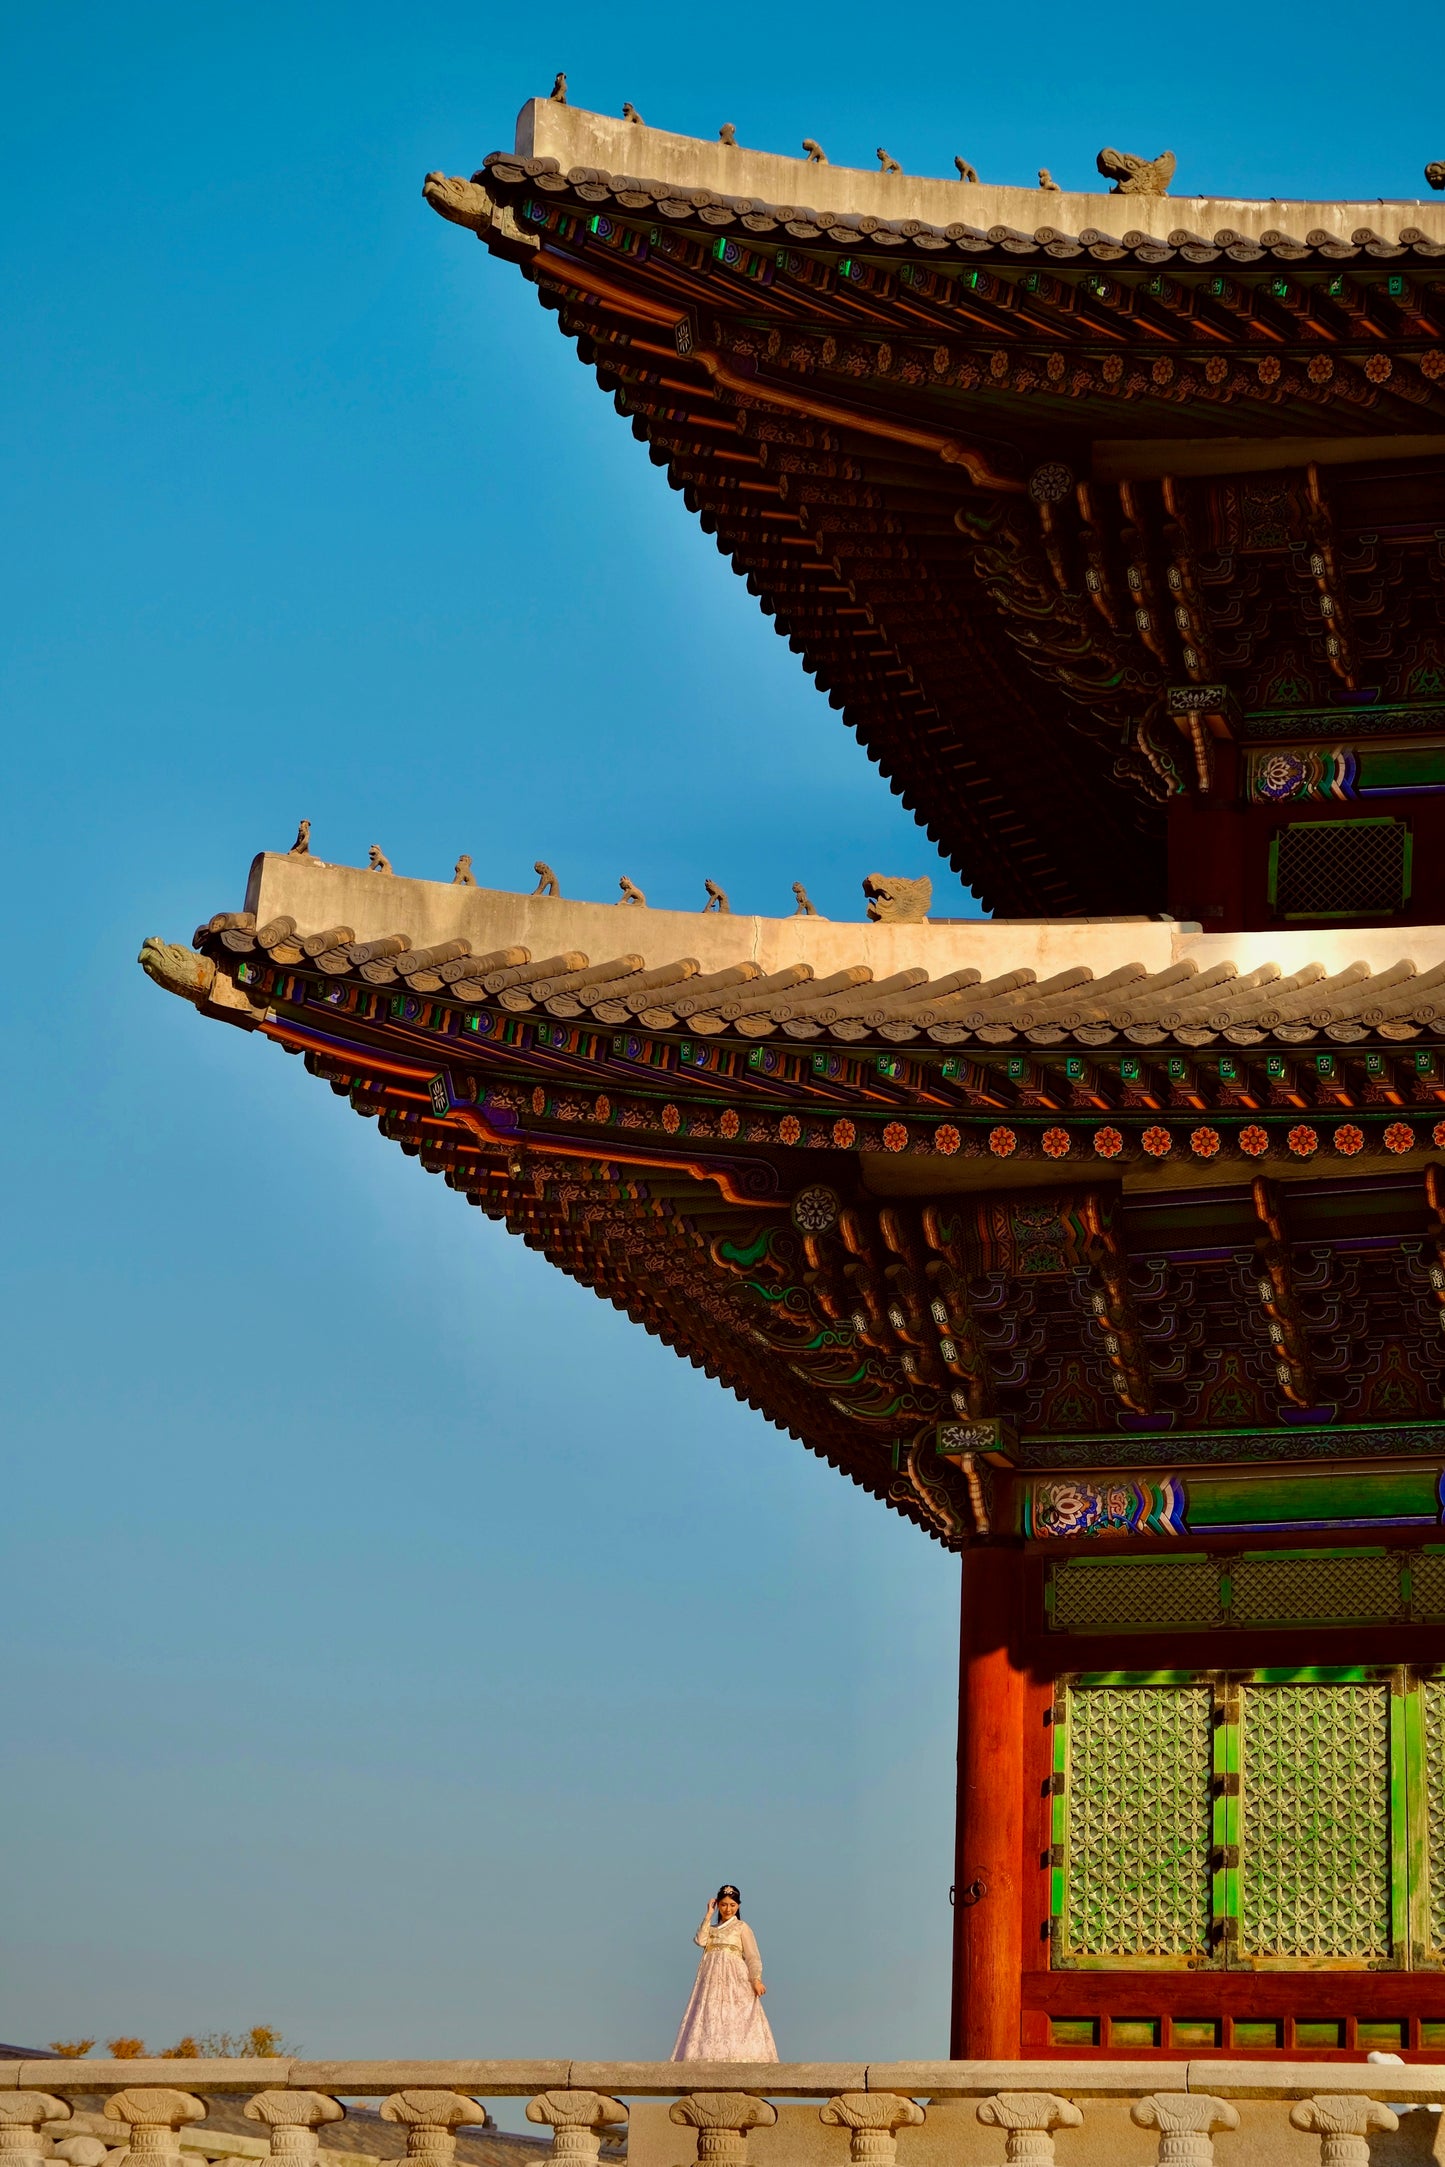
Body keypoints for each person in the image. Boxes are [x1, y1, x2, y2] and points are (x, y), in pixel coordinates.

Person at [669, 1884, 778, 2062]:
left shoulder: (742, 1927)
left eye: (732, 1905)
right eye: (724, 1904)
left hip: (735, 1977)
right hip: (711, 1979)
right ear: (718, 1904)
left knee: (735, 2014)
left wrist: (756, 1979)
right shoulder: (711, 1929)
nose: (728, 1909)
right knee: (710, 2013)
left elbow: (752, 1956)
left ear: (738, 1906)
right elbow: (700, 1940)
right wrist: (708, 1914)